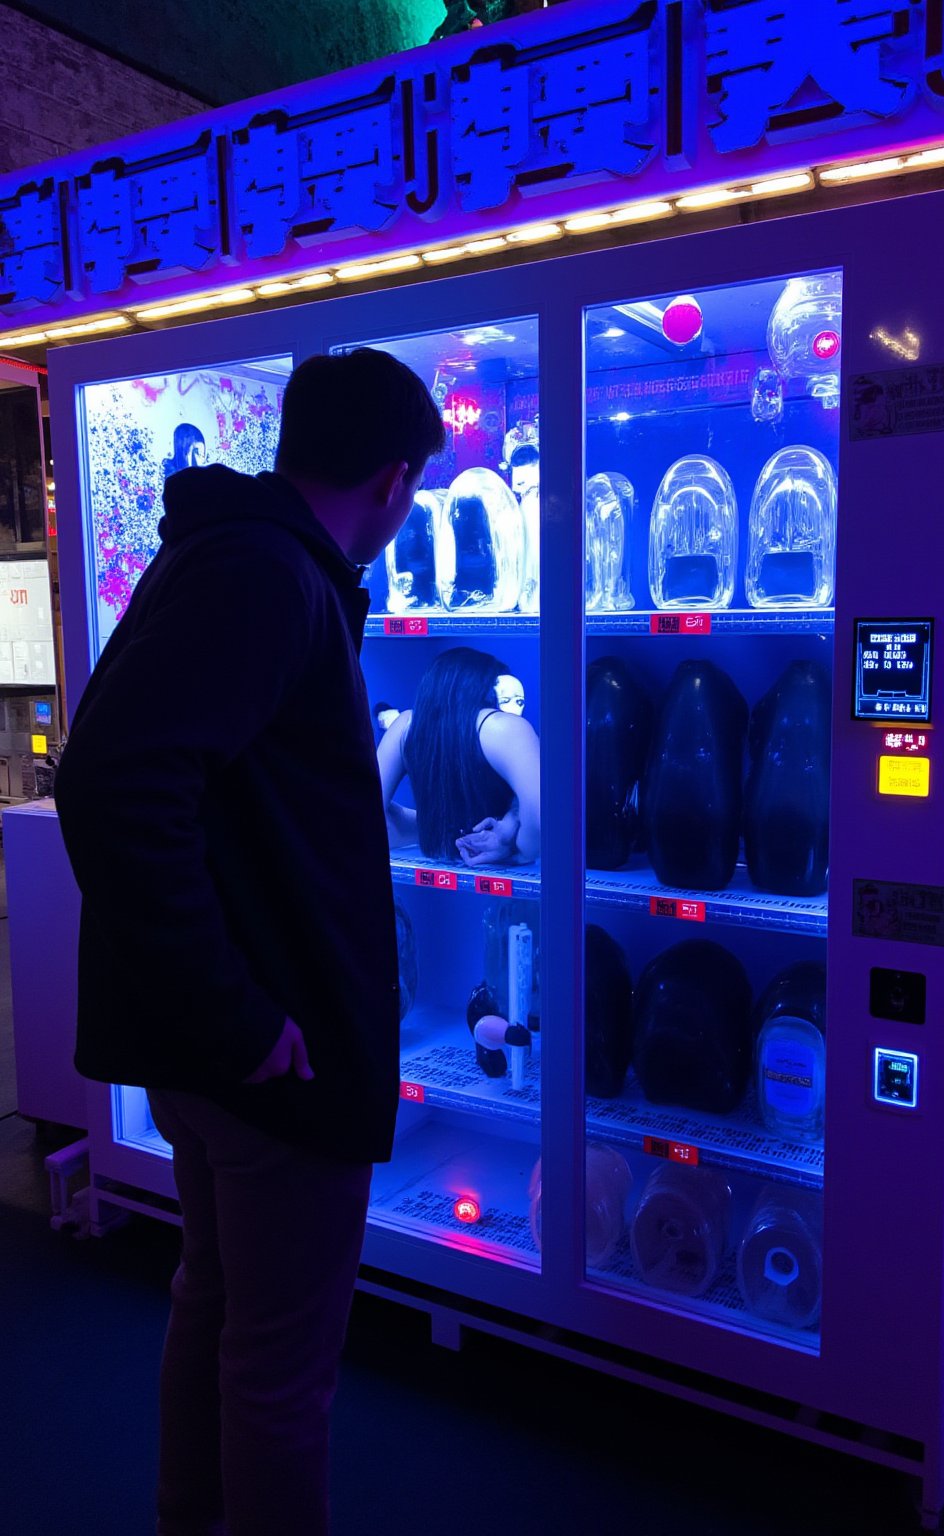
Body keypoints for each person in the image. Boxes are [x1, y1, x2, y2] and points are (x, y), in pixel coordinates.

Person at [54, 349, 446, 1536]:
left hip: (227, 1047)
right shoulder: (270, 578)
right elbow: (115, 787)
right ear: (392, 479)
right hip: (267, 1058)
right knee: (279, 1369)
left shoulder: (238, 554)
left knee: (217, 1310)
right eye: (416, 485)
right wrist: (236, 1014)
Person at [377, 646, 540, 867]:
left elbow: (364, 808)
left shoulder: (406, 726)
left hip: (438, 856)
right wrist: (520, 852)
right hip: (499, 865)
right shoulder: (504, 727)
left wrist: (434, 828)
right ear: (484, 688)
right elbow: (540, 817)